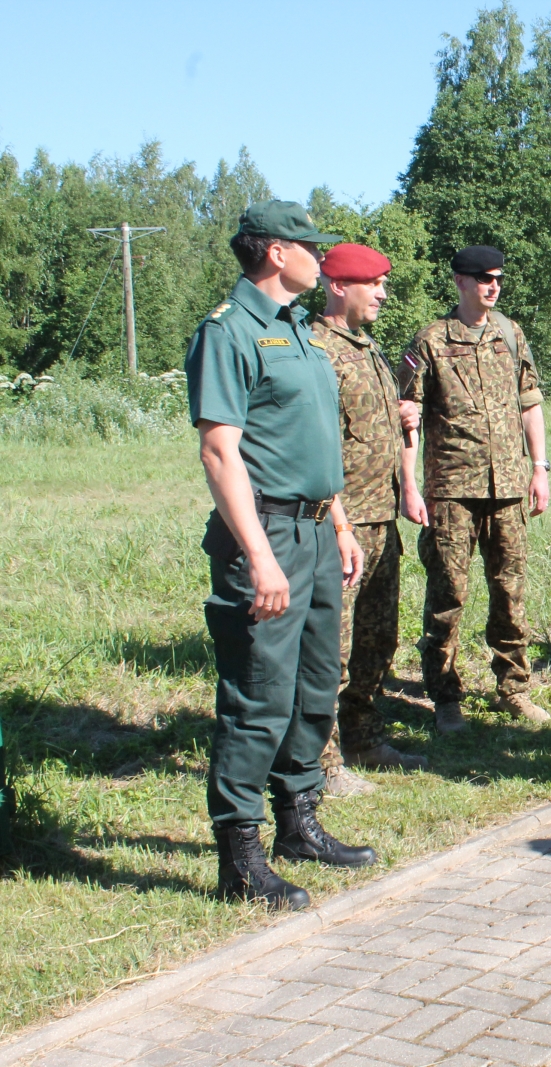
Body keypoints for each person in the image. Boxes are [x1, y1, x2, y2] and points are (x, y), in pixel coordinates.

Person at [185, 200, 379, 910]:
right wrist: (260, 558)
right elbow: (219, 450)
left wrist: (339, 522)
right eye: (309, 246)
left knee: (314, 682)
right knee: (258, 696)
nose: (319, 258)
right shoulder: (229, 331)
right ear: (273, 252)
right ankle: (240, 856)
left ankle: (299, 821)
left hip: (318, 530)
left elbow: (310, 442)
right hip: (264, 536)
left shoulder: (299, 331)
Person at [401, 246, 551, 733]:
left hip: (507, 486)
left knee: (510, 592)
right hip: (451, 490)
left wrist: (540, 468)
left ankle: (514, 688)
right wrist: (411, 485)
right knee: (448, 595)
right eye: (483, 278)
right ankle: (445, 696)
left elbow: (530, 404)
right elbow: (409, 417)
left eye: (498, 279)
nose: (493, 286)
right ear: (460, 282)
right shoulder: (430, 340)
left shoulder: (510, 334)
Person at [312, 243, 430, 798]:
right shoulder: (317, 351)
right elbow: (316, 446)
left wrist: (404, 414)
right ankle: (322, 761)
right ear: (338, 286)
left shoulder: (368, 348)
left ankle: (362, 734)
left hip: (380, 518)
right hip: (340, 522)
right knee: (328, 651)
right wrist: (336, 522)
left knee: (376, 642)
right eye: (373, 283)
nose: (383, 293)